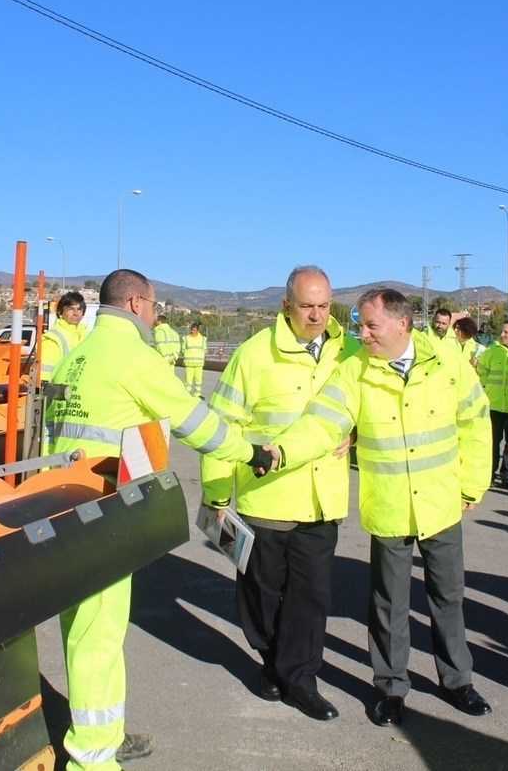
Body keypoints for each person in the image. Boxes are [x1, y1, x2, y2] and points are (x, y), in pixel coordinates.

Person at [46, 269, 273, 771]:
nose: (155, 314)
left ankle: (97, 731)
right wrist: (248, 451)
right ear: (133, 302)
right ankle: (93, 759)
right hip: (103, 511)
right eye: (153, 305)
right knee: (99, 636)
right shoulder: (134, 357)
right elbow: (196, 421)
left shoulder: (75, 355)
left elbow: (51, 432)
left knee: (80, 630)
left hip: (61, 505)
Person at [266, 288, 493, 725]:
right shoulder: (355, 370)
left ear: (402, 324)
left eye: (371, 326)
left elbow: (475, 420)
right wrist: (280, 451)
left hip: (442, 503)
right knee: (388, 602)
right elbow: (322, 423)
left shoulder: (447, 363)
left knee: (448, 596)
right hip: (390, 506)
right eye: (359, 325)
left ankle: (458, 681)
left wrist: (471, 484)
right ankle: (390, 687)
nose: (362, 334)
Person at [201, 265, 360, 721]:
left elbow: (373, 407)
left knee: (310, 600)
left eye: (324, 305)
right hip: (265, 500)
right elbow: (221, 427)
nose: (316, 315)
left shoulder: (348, 353)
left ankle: (301, 679)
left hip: (320, 501)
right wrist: (215, 494)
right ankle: (271, 661)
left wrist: (361, 437)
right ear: (286, 305)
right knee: (262, 596)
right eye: (307, 306)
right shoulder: (253, 356)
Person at [476, 320, 508, 488]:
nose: (502, 335)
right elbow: (480, 372)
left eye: (506, 332)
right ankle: (488, 475)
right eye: (502, 332)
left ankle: (506, 475)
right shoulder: (492, 351)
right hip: (494, 405)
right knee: (491, 443)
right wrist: (487, 389)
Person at [40, 291, 87, 383]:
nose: (76, 313)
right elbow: (45, 377)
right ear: (60, 311)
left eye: (79, 309)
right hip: (61, 392)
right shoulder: (52, 339)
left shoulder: (85, 334)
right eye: (71, 309)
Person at [182, 322, 207, 396]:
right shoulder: (186, 338)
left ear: (198, 330)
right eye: (192, 330)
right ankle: (187, 394)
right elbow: (183, 349)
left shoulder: (203, 339)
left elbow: (205, 350)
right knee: (188, 381)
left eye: (194, 330)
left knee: (198, 380)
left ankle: (197, 394)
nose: (193, 331)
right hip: (189, 363)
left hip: (199, 364)